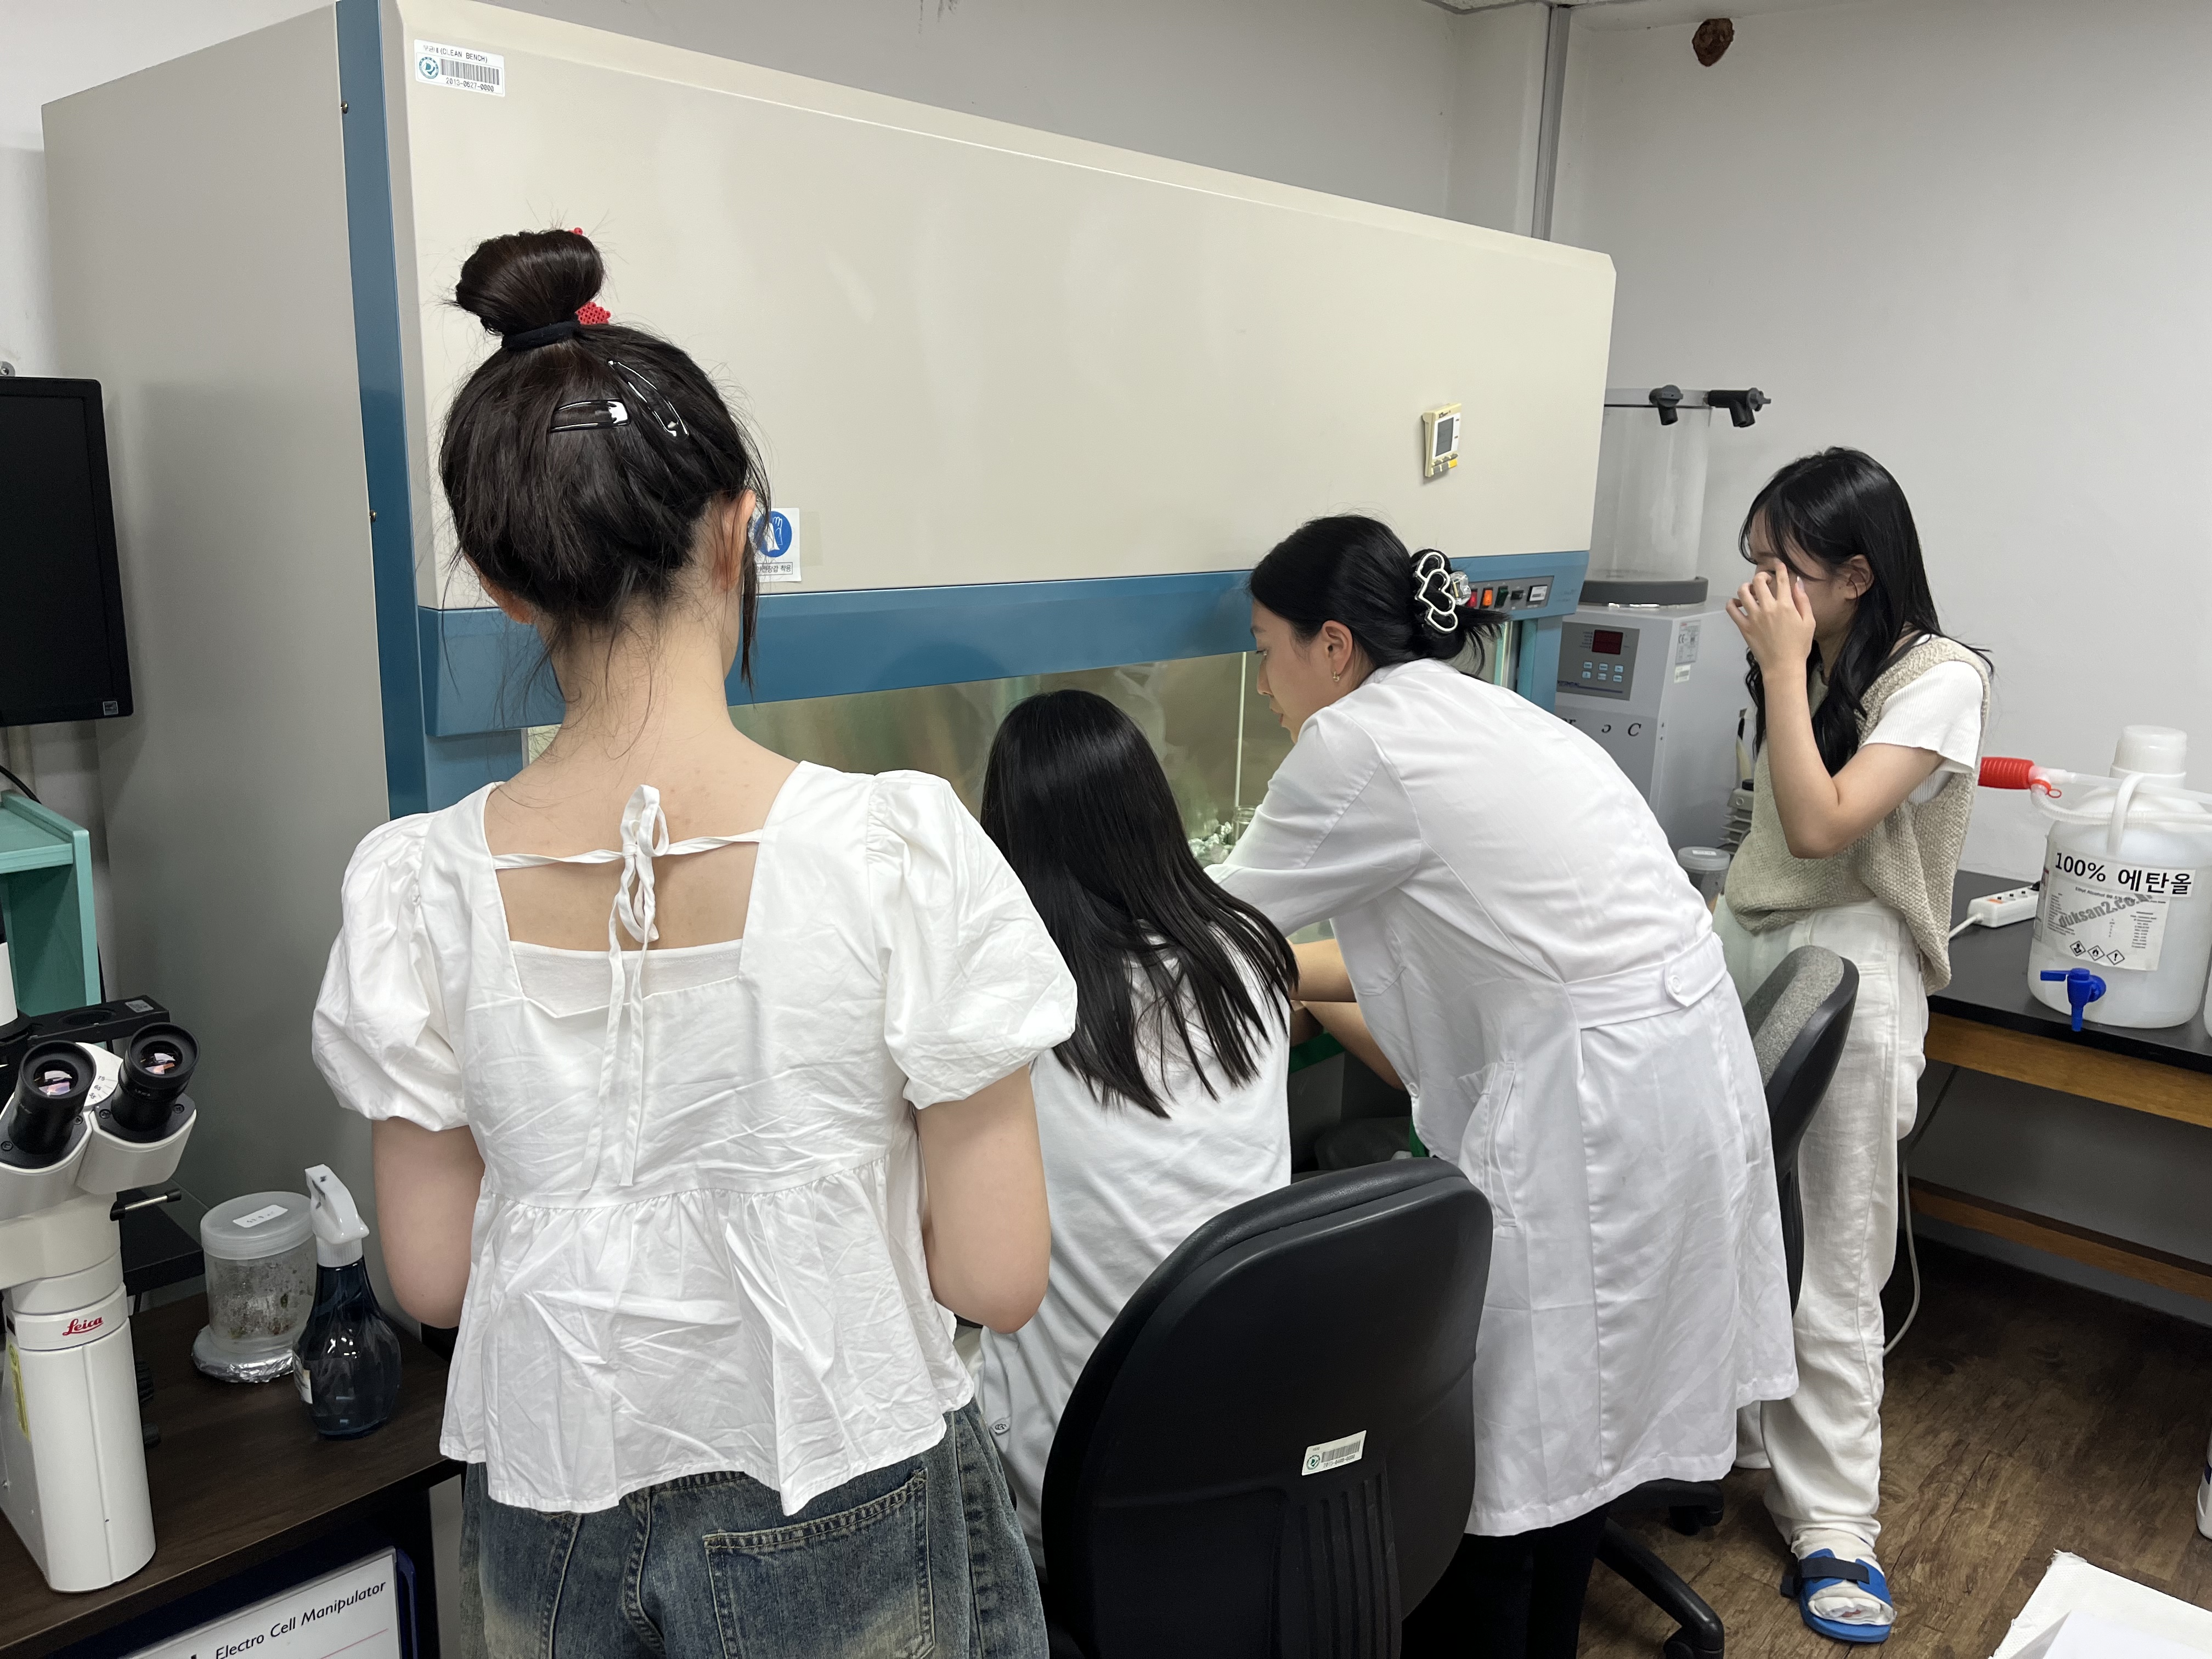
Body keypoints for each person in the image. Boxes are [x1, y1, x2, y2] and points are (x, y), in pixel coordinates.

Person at [310, 228, 1075, 1659]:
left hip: (546, 1489)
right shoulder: (898, 852)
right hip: (840, 1470)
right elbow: (995, 1276)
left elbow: (433, 1277)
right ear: (739, 532)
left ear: (503, 584)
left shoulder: (415, 887)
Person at [1212, 515, 1796, 1659]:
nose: (1265, 681)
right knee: (1578, 1427)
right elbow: (1463, 942)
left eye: (1266, 650)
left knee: (1518, 1437)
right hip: (1673, 1064)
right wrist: (1291, 973)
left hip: (1596, 1099)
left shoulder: (1356, 743)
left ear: (1333, 646)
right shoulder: (1480, 710)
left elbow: (1209, 927)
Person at [1718, 448, 1988, 1645]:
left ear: (1858, 574)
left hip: (1854, 965)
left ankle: (1834, 1524)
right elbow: (1766, 837)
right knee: (1728, 1216)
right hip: (1752, 936)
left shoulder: (1941, 679)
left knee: (1830, 1253)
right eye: (1753, 564)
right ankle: (1730, 1437)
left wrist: (1783, 669)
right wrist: (1790, 665)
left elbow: (1824, 822)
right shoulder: (1810, 659)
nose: (1757, 591)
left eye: (1781, 567)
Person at [974, 689, 1296, 1563]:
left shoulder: (1013, 1008)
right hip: (1253, 1445)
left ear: (1007, 838)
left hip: (1080, 1486)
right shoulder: (1249, 959)